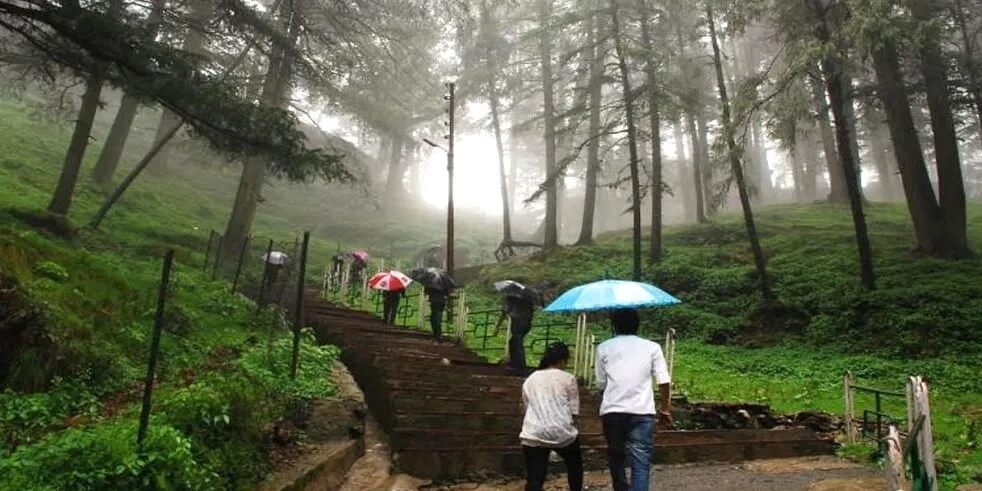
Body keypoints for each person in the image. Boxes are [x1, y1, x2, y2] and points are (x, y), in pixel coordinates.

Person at [595, 309, 672, 491]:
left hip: (613, 411)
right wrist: (666, 409)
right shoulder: (652, 347)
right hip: (642, 412)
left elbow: (600, 384)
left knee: (616, 457)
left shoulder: (603, 347)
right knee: (641, 460)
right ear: (638, 325)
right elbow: (664, 380)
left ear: (614, 325)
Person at [520, 342, 583, 491]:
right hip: (562, 432)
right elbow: (574, 412)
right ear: (562, 360)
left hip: (534, 432)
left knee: (535, 477)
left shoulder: (531, 379)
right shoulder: (568, 378)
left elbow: (527, 405)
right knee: (575, 465)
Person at [496, 295, 535, 371]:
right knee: (514, 342)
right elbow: (532, 312)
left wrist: (498, 325)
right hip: (526, 323)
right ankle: (515, 363)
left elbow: (504, 312)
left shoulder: (510, 298)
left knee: (517, 343)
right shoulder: (528, 299)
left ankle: (520, 365)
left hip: (517, 321)